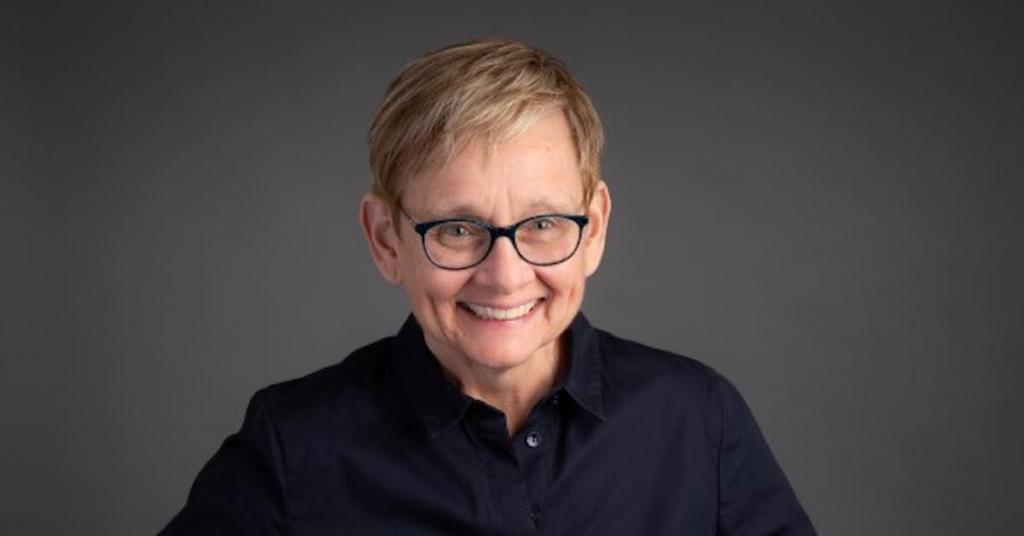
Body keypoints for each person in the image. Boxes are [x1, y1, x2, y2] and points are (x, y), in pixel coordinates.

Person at [159, 38, 816, 535]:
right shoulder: (294, 445)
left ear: (593, 230)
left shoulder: (699, 419)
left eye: (543, 223)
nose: (505, 275)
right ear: (387, 240)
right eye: (456, 229)